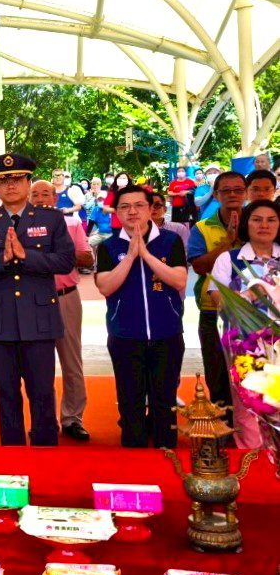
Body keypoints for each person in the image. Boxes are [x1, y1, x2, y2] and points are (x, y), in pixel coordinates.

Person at [0, 153, 75, 446]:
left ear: (28, 182)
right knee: (6, 393)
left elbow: (65, 260)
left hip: (39, 320)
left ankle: (45, 451)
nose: (10, 185)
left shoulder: (50, 218)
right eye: (4, 180)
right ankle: (13, 457)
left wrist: (27, 257)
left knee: (42, 392)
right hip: (0, 322)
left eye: (17, 179)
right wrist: (2, 259)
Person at [95, 184, 187, 448]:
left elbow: (179, 280)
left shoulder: (170, 241)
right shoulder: (109, 246)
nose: (132, 211)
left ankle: (165, 453)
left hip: (166, 333)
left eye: (139, 205)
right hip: (125, 336)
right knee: (130, 401)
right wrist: (131, 256)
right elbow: (105, 286)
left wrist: (146, 255)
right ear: (117, 212)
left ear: (151, 209)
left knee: (164, 400)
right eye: (124, 206)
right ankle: (133, 455)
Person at [207, 199, 280, 448]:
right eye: (256, 219)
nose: (264, 225)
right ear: (246, 224)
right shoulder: (229, 260)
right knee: (248, 406)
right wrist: (251, 292)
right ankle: (252, 460)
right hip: (245, 345)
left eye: (271, 220)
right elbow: (219, 300)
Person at [30, 179, 93, 441]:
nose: (41, 198)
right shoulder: (20, 227)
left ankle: (72, 418)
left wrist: (56, 249)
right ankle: (43, 420)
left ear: (56, 199)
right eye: (36, 194)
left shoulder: (71, 223)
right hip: (33, 300)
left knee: (71, 361)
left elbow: (87, 258)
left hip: (66, 297)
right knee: (38, 365)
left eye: (46, 194)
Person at [187, 171, 247, 410]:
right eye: (226, 190)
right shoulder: (202, 228)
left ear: (245, 193)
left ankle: (253, 430)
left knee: (252, 374)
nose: (232, 195)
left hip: (254, 314)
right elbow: (199, 266)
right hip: (213, 312)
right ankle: (222, 429)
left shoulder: (258, 224)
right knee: (217, 374)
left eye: (238, 190)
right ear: (217, 194)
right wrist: (228, 243)